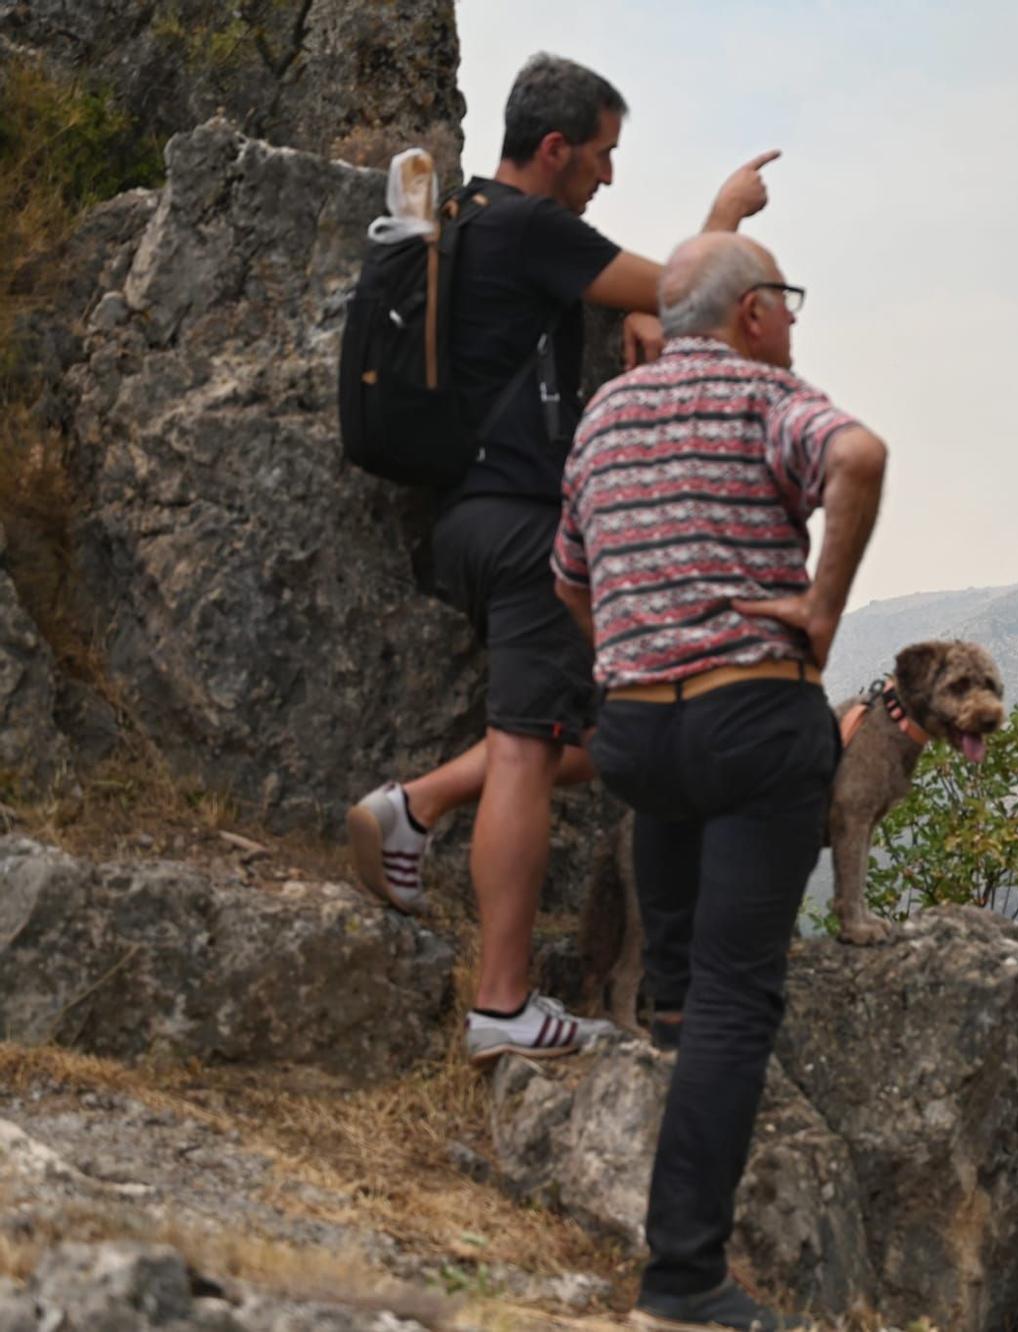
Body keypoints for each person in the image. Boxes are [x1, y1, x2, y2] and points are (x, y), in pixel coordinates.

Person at [344, 52, 780, 1065]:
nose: (607, 177)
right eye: (600, 155)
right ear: (554, 148)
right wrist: (726, 207)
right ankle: (502, 1006)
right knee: (536, 751)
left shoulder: (467, 225)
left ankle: (420, 804)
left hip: (463, 521)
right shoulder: (531, 226)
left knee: (625, 730)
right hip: (520, 525)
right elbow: (692, 289)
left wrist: (626, 311)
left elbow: (641, 305)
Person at [553, 231, 886, 1331]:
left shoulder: (607, 413)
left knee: (694, 983)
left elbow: (568, 575)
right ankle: (682, 1281)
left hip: (641, 739)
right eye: (783, 298)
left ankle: (667, 1010)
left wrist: (634, 648)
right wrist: (823, 609)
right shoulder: (764, 396)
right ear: (750, 315)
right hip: (752, 718)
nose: (790, 318)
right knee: (743, 1002)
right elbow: (860, 457)